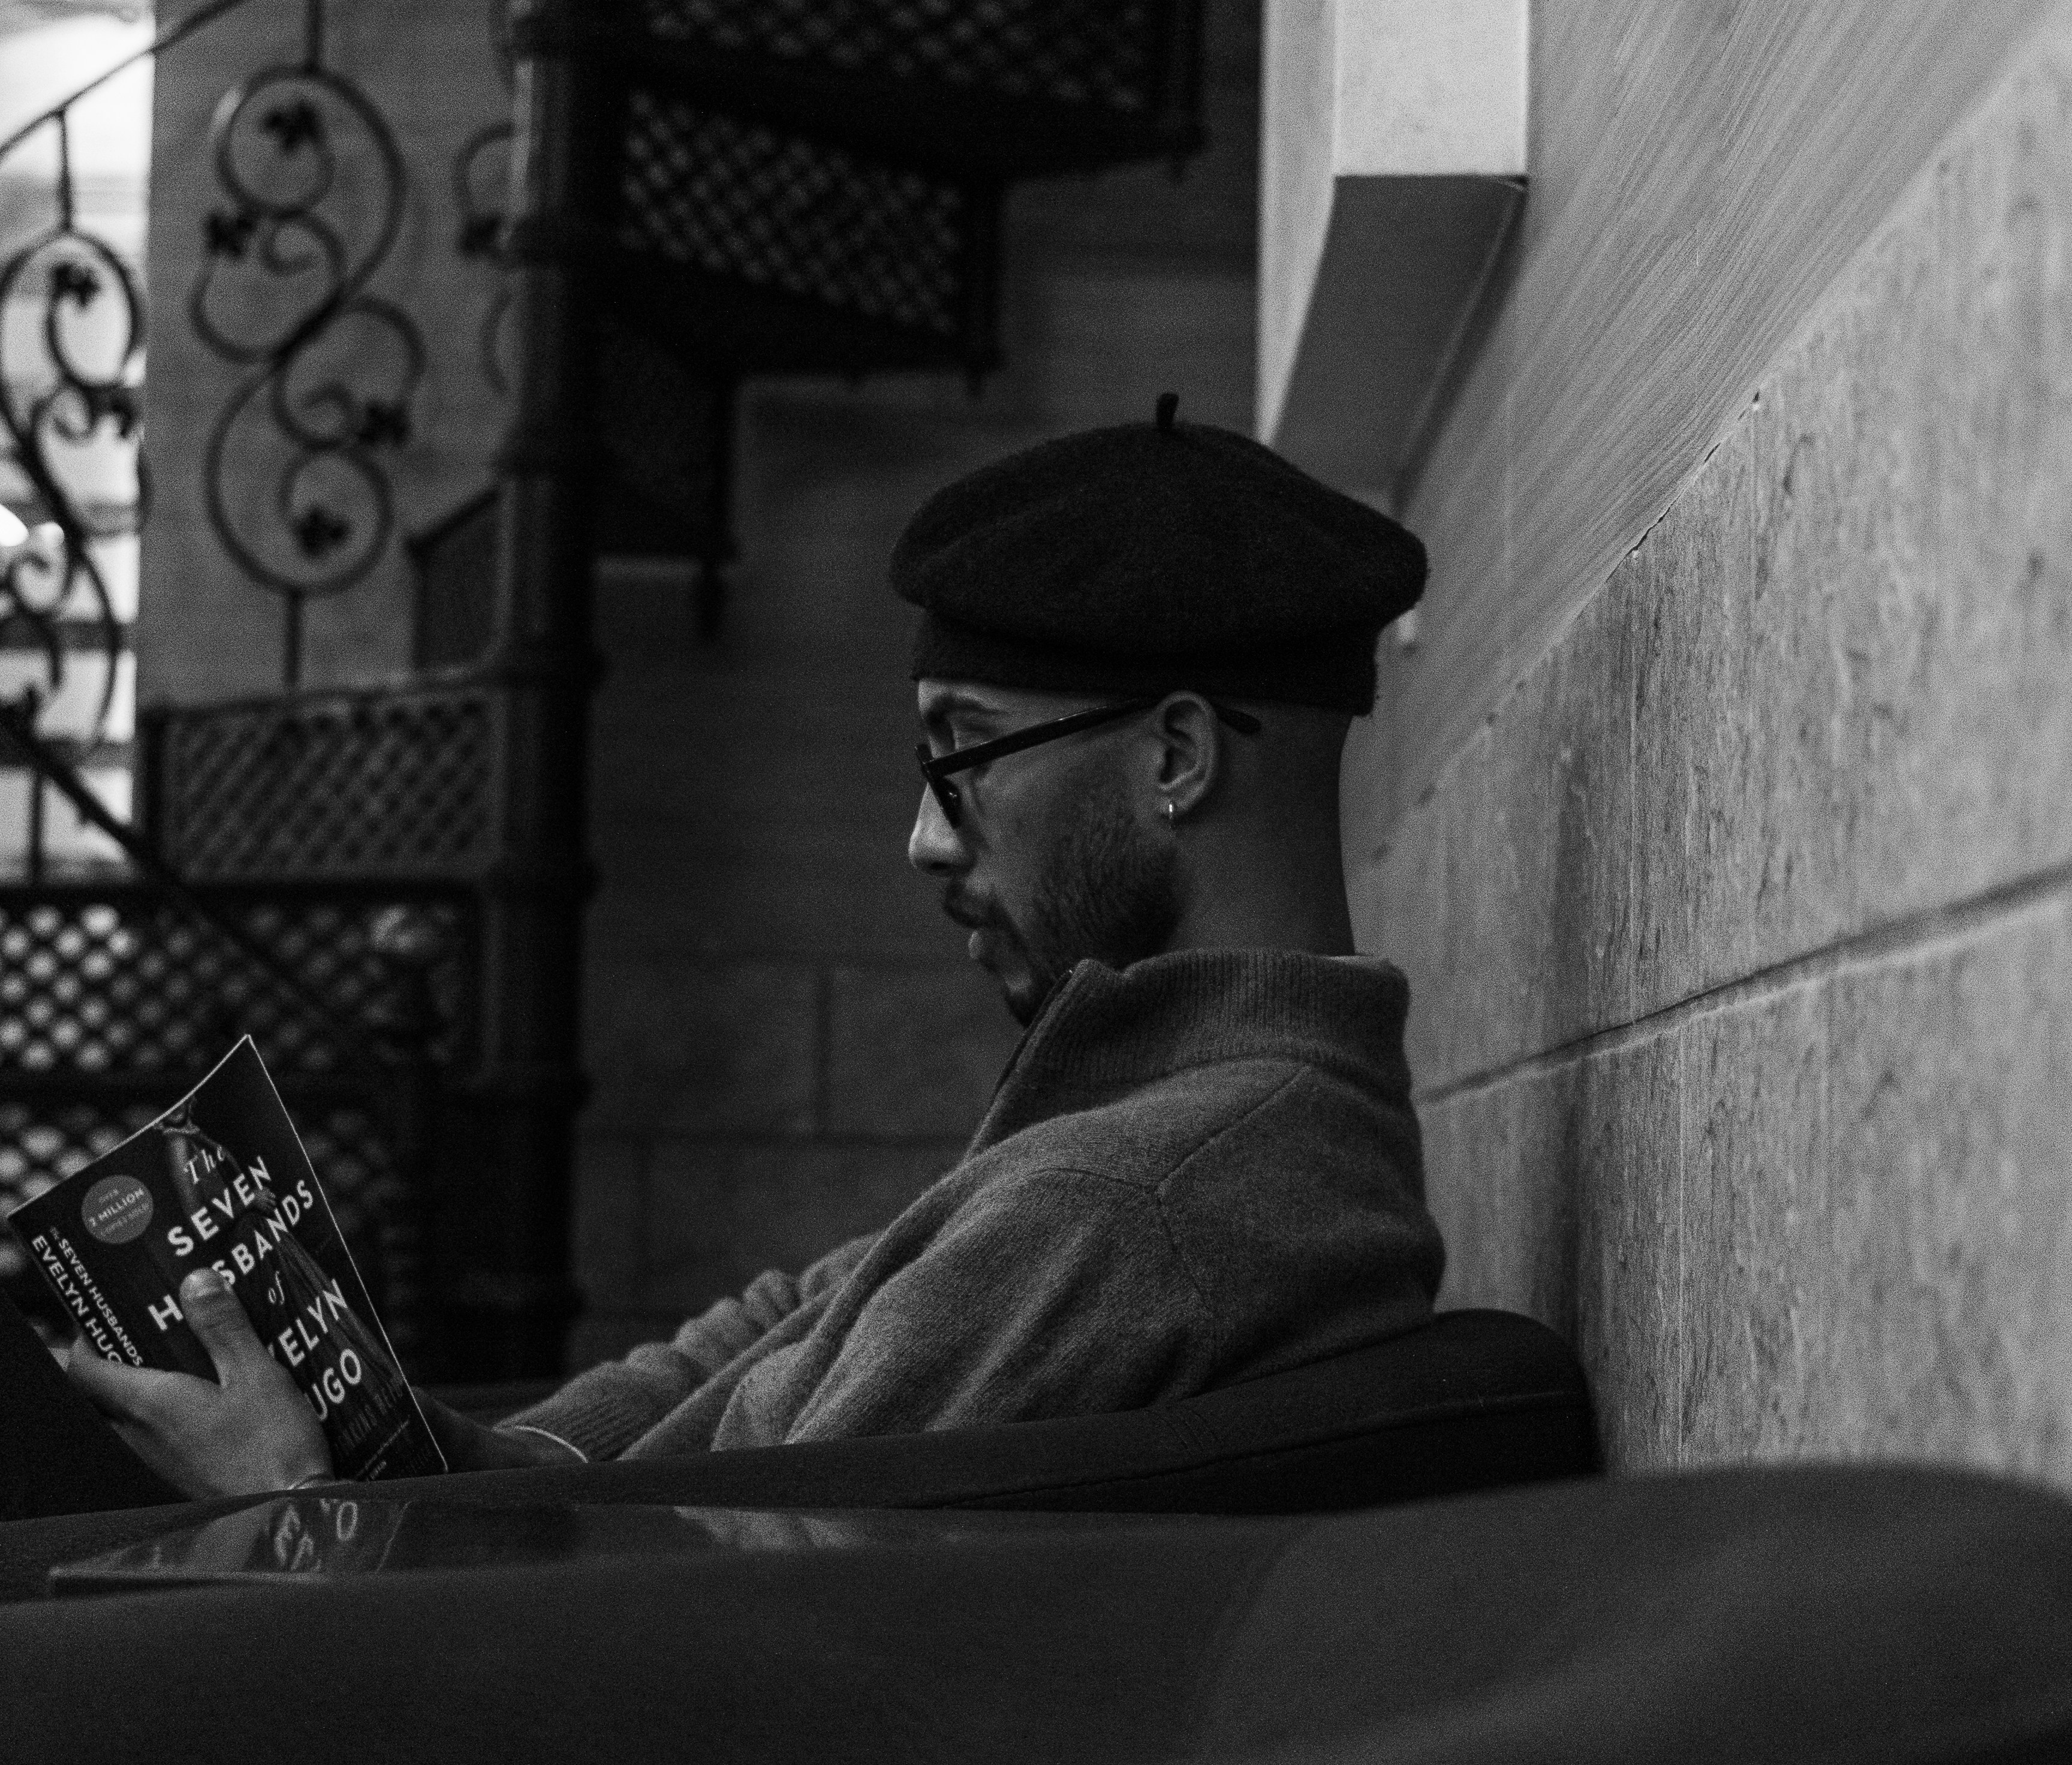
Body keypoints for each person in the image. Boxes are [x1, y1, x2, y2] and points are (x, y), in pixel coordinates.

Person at [64, 396, 1446, 1498]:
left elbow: (698, 1629)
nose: (924, 839)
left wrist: (296, 1504)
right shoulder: (1185, 1120)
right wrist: (442, 1452)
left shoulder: (1132, 1205)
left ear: (1179, 759)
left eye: (966, 754)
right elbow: (801, 1313)